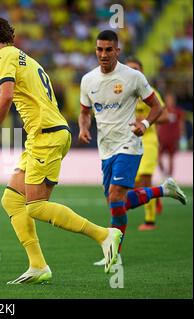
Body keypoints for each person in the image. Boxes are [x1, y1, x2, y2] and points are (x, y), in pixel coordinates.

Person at [0, 17, 123, 283]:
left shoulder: (4, 56)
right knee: (12, 200)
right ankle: (38, 266)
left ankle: (104, 235)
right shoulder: (24, 58)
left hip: (47, 136)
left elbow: (5, 96)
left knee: (36, 206)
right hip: (42, 135)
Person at [78, 30, 187, 267]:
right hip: (105, 148)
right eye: (99, 49)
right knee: (117, 202)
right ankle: (163, 190)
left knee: (116, 195)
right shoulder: (88, 80)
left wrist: (145, 124)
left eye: (109, 49)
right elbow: (84, 112)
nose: (103, 54)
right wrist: (83, 128)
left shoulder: (133, 77)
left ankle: (114, 253)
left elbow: (157, 107)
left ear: (117, 50)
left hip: (130, 143)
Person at [125, 57, 169, 230]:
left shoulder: (149, 93)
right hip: (129, 142)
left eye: (136, 69)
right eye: (129, 69)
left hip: (149, 140)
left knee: (144, 179)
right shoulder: (122, 93)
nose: (132, 72)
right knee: (133, 183)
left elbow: (164, 116)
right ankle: (156, 196)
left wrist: (145, 121)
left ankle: (149, 221)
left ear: (142, 72)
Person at [157, 92, 186, 178]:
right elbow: (158, 124)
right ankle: (164, 173)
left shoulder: (178, 112)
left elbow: (181, 124)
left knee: (171, 158)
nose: (170, 101)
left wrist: (182, 136)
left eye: (171, 99)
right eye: (168, 99)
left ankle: (170, 177)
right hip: (162, 137)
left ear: (174, 100)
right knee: (158, 158)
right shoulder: (162, 110)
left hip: (173, 137)